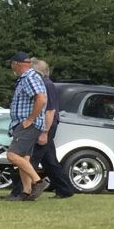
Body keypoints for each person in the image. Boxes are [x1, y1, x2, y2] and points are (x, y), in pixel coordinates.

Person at [24, 59, 76, 198]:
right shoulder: (46, 84)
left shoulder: (46, 85)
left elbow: (50, 110)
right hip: (47, 125)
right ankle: (65, 189)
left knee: (32, 159)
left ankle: (22, 191)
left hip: (47, 126)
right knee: (49, 161)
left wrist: (44, 132)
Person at [3, 51, 48, 201]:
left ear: (16, 64)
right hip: (26, 124)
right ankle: (26, 192)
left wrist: (30, 119)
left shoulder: (29, 77)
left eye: (12, 64)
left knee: (12, 155)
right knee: (24, 158)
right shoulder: (29, 77)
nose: (11, 67)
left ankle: (38, 182)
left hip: (28, 124)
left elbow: (41, 99)